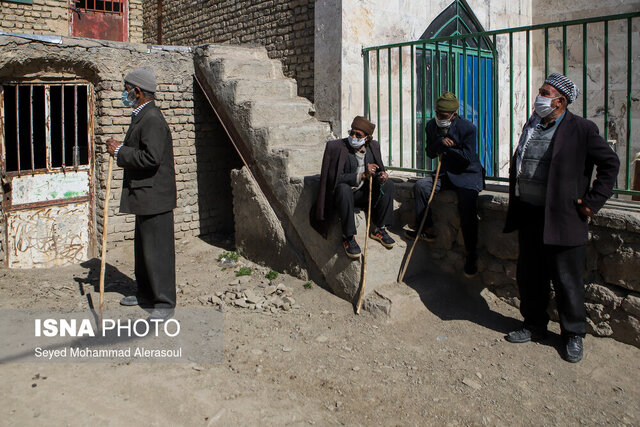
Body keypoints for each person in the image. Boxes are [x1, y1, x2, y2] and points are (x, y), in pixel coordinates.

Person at [503, 73, 620, 363]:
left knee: (567, 279)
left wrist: (593, 202)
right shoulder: (532, 124)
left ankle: (573, 334)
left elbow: (610, 163)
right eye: (540, 91)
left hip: (564, 216)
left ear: (560, 101)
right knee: (531, 274)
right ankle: (534, 324)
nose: (538, 96)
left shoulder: (582, 129)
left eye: (544, 92)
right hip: (530, 212)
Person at [106, 66, 177, 321]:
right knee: (145, 251)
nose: (125, 95)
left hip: (155, 197)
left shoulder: (152, 119)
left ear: (137, 91)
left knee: (158, 253)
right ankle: (146, 294)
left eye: (127, 91)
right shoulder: (141, 116)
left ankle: (165, 303)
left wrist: (119, 153)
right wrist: (123, 149)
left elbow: (151, 157)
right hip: (145, 196)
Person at [405, 92, 484, 277]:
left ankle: (471, 254)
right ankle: (427, 228)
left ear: (454, 115)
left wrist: (450, 148)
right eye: (438, 113)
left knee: (467, 206)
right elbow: (430, 153)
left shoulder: (468, 128)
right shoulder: (431, 126)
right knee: (422, 186)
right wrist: (440, 142)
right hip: (446, 173)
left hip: (467, 175)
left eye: (444, 115)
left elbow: (467, 158)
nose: (439, 117)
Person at [313, 116, 395, 258]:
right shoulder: (337, 147)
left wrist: (381, 176)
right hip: (344, 196)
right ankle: (349, 237)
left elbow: (378, 170)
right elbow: (334, 179)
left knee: (389, 184)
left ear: (367, 138)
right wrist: (361, 175)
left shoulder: (373, 147)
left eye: (358, 135)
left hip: (363, 193)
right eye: (352, 133)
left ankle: (380, 228)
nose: (353, 137)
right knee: (343, 189)